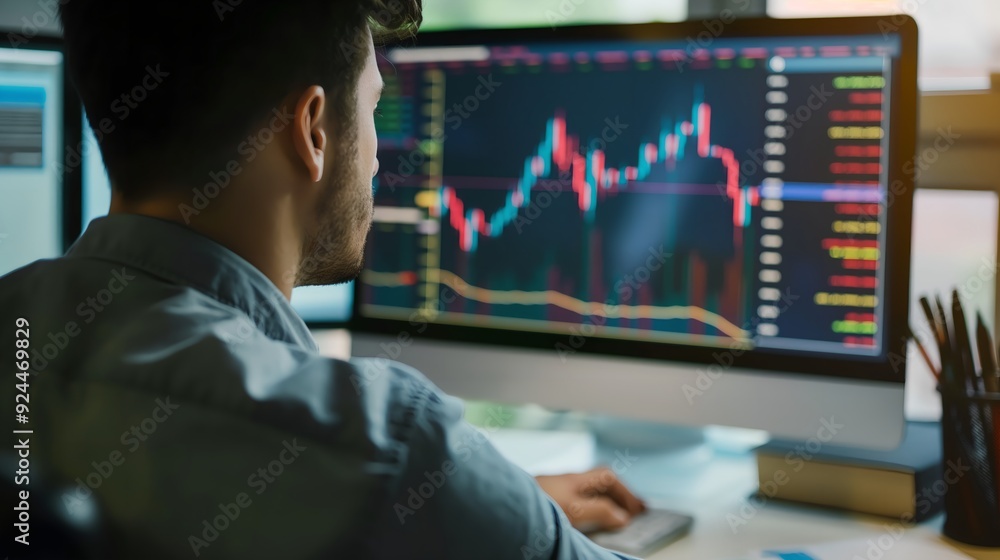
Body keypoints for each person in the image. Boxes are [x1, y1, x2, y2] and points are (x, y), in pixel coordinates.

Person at [0, 1, 648, 558]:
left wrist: (496, 505)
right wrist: (457, 497)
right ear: (312, 130)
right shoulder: (391, 448)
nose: (375, 156)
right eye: (372, 108)